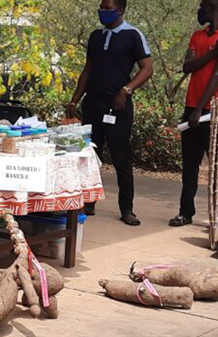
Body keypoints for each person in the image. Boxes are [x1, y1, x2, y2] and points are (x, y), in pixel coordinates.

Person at [66, 0, 153, 226]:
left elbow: (147, 68)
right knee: (91, 156)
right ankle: (89, 202)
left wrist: (126, 90)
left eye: (108, 8)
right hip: (93, 104)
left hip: (118, 107)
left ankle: (127, 209)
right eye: (101, 8)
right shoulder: (96, 36)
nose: (103, 11)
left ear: (121, 10)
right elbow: (88, 69)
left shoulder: (133, 35)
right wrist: (75, 99)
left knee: (120, 156)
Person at [169, 0, 218, 227]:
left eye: (202, 6)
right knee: (190, 164)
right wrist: (212, 53)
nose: (198, 10)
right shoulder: (197, 36)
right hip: (193, 108)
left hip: (215, 110)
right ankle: (185, 212)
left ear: (212, 8)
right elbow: (187, 66)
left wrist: (200, 109)